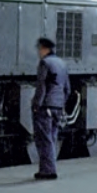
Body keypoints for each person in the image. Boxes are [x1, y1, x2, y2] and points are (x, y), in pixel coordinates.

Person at [32, 37, 70, 180]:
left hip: (46, 106)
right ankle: (47, 168)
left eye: (39, 49)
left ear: (44, 49)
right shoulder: (62, 63)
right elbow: (67, 88)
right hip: (57, 106)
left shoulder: (45, 63)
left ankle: (48, 171)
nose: (38, 52)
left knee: (44, 139)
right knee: (52, 138)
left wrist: (36, 105)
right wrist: (61, 104)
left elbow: (41, 87)